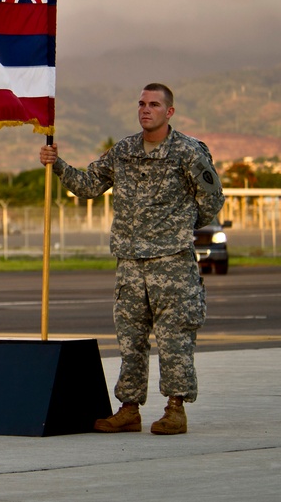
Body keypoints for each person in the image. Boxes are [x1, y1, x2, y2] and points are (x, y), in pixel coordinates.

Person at [40, 83, 224, 435]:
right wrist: (58, 164)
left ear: (169, 112)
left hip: (171, 262)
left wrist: (179, 226)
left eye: (154, 104)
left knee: (174, 339)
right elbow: (90, 185)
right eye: (141, 103)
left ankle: (175, 408)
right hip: (129, 262)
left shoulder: (188, 151)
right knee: (130, 339)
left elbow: (212, 199)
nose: (145, 110)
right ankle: (129, 408)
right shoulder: (123, 150)